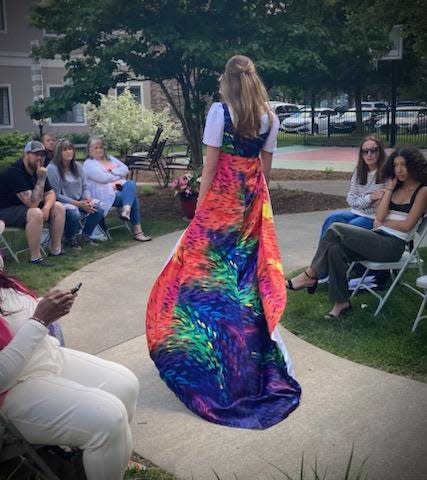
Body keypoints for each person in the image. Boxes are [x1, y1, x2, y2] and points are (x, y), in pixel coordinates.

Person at [146, 55, 301, 429]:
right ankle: (248, 359)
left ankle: (203, 358)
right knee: (243, 281)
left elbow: (211, 165)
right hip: (250, 206)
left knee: (197, 278)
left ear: (227, 80)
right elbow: (264, 171)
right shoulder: (270, 117)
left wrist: (200, 209)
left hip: (221, 206)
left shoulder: (220, 111)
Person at [0, 268, 140, 480]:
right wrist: (40, 319)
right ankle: (105, 447)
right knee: (109, 419)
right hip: (11, 389)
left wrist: (49, 304)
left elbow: (14, 312)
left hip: (42, 355)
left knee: (125, 385)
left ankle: (109, 454)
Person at [288, 147, 427, 319]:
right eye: (396, 165)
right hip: (378, 238)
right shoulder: (395, 189)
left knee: (336, 228)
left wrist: (384, 222)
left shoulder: (422, 191)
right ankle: (341, 303)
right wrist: (389, 190)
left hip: (392, 246)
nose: (399, 170)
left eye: (404, 165)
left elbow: (407, 225)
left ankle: (311, 274)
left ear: (414, 165)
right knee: (334, 250)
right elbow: (380, 215)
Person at [0, 141, 65, 266]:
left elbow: (51, 193)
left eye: (42, 155)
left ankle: (55, 250)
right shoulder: (14, 172)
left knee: (58, 207)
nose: (39, 158)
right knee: (35, 213)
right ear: (26, 154)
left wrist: (46, 208)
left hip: (23, 208)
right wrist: (41, 179)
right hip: (5, 211)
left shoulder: (38, 169)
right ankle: (35, 258)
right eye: (36, 154)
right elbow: (32, 204)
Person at [83, 137, 151, 242]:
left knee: (131, 184)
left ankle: (126, 210)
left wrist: (110, 173)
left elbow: (125, 169)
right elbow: (103, 178)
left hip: (120, 189)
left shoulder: (109, 158)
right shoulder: (89, 164)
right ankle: (137, 231)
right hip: (104, 194)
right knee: (134, 198)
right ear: (89, 149)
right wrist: (116, 174)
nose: (99, 150)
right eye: (95, 148)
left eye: (101, 147)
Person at [320, 135, 386, 237]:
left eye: (373, 150)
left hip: (373, 217)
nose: (369, 154)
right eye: (365, 151)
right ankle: (322, 253)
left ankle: (333, 252)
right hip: (356, 212)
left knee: (347, 229)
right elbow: (351, 199)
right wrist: (371, 198)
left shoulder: (386, 173)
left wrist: (361, 200)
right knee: (332, 218)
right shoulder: (359, 171)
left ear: (380, 152)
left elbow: (379, 205)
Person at [47, 138, 104, 248]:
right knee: (74, 213)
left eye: (70, 149)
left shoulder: (77, 166)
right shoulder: (52, 169)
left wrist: (88, 199)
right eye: (65, 150)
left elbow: (85, 187)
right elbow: (56, 195)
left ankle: (85, 236)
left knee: (99, 208)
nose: (69, 152)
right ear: (58, 152)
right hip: (61, 203)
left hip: (80, 200)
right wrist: (78, 204)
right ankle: (69, 239)